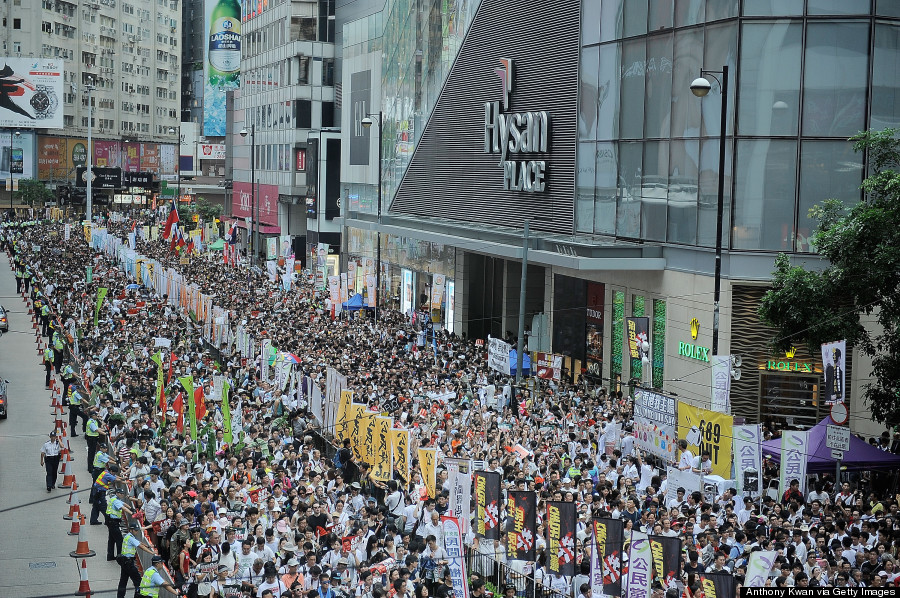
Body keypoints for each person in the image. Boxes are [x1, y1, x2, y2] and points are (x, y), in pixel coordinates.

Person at [117, 521, 156, 598]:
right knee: (138, 581)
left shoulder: (128, 536)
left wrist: (148, 546)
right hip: (129, 563)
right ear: (131, 530)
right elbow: (140, 546)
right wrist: (151, 553)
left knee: (123, 581)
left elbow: (140, 543)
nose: (137, 531)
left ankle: (120, 596)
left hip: (125, 562)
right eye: (135, 530)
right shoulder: (131, 538)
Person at [106, 487, 136, 560]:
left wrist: (131, 508)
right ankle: (120, 557)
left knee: (112, 539)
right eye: (121, 493)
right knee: (119, 540)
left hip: (111, 521)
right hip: (113, 522)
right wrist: (132, 513)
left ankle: (110, 556)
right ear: (117, 493)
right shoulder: (116, 501)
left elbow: (124, 504)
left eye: (123, 494)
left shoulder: (115, 499)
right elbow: (123, 508)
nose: (122, 495)